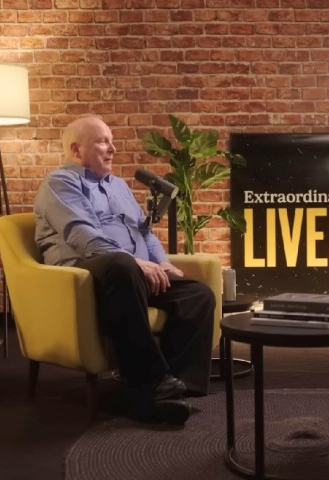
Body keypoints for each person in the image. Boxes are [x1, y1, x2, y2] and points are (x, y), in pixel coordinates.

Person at [34, 115, 216, 425]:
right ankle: (146, 387)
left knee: (198, 295)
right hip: (85, 274)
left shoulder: (118, 186)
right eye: (103, 142)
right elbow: (82, 236)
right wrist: (133, 261)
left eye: (111, 141)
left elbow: (144, 233)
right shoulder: (61, 183)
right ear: (76, 150)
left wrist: (162, 262)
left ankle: (177, 387)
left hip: (132, 274)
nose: (113, 148)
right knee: (120, 265)